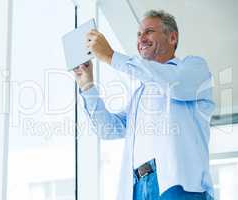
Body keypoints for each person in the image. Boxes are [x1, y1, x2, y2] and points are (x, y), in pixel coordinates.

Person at [73, 10, 214, 200]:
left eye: (149, 31)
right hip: (137, 189)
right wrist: (87, 85)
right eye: (139, 34)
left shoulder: (193, 67)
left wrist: (111, 56)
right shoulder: (140, 94)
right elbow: (108, 129)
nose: (141, 38)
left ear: (172, 37)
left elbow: (174, 84)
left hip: (178, 186)